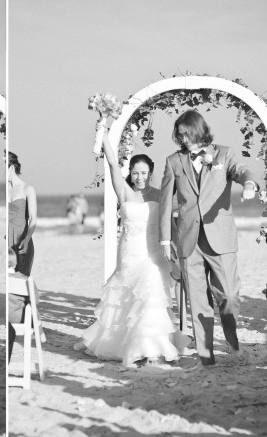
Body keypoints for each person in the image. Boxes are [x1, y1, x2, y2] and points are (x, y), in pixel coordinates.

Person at [75, 126, 190, 367]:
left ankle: (151, 348)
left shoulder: (161, 195)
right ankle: (124, 345)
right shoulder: (124, 193)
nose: (139, 177)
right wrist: (104, 135)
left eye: (144, 173)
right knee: (125, 300)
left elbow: (183, 208)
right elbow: (113, 166)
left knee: (151, 298)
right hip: (128, 255)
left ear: (151, 173)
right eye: (136, 173)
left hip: (153, 255)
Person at [159, 110, 258, 370]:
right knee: (198, 302)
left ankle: (232, 337)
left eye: (187, 133)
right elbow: (165, 202)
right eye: (179, 134)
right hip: (188, 240)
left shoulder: (224, 155)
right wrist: (165, 239)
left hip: (221, 238)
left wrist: (249, 185)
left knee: (229, 295)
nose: (183, 138)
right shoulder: (173, 161)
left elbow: (242, 171)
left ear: (199, 130)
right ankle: (206, 357)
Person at [8, 152, 36, 276]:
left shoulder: (27, 189)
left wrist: (27, 239)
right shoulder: (5, 189)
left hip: (21, 242)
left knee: (19, 286)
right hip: (6, 242)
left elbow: (33, 219)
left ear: (12, 167)